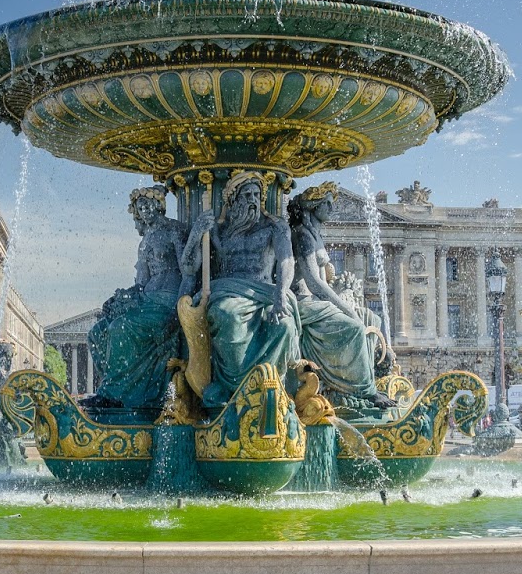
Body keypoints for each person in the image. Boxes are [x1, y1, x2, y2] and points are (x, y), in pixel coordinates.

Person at [182, 172, 300, 410]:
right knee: (228, 315)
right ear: (233, 200)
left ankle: (272, 392)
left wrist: (280, 294)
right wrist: (196, 233)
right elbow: (189, 267)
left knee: (285, 326)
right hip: (228, 290)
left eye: (256, 194)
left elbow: (287, 261)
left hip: (266, 290)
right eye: (246, 195)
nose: (252, 200)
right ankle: (236, 389)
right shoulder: (218, 230)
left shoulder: (275, 227)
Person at [286, 182, 395, 412]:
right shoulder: (302, 235)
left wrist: (346, 304)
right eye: (326, 202)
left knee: (371, 319)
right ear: (313, 206)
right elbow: (314, 283)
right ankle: (366, 391)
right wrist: (346, 309)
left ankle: (360, 381)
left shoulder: (315, 234)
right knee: (354, 327)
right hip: (303, 301)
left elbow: (323, 284)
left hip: (317, 301)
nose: (331, 208)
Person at [84, 186, 188, 412]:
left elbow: (188, 272)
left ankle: (115, 393)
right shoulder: (145, 242)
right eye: (140, 208)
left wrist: (179, 311)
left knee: (120, 328)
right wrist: (119, 298)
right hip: (147, 300)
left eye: (148, 205)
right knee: (98, 332)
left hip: (167, 301)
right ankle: (113, 390)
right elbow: (141, 284)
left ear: (159, 206)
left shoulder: (174, 231)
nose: (145, 211)